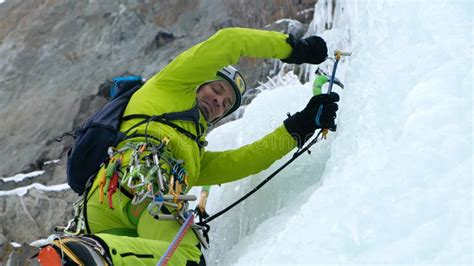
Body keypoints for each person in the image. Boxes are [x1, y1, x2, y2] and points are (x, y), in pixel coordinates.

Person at [42, 27, 339, 265]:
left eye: (225, 105)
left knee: (153, 256)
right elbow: (230, 40)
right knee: (186, 258)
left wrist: (301, 124)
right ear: (200, 82)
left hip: (105, 204)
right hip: (143, 183)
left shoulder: (192, 156)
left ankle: (87, 254)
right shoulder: (171, 85)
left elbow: (245, 160)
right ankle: (87, 254)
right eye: (216, 89)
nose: (218, 101)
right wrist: (296, 49)